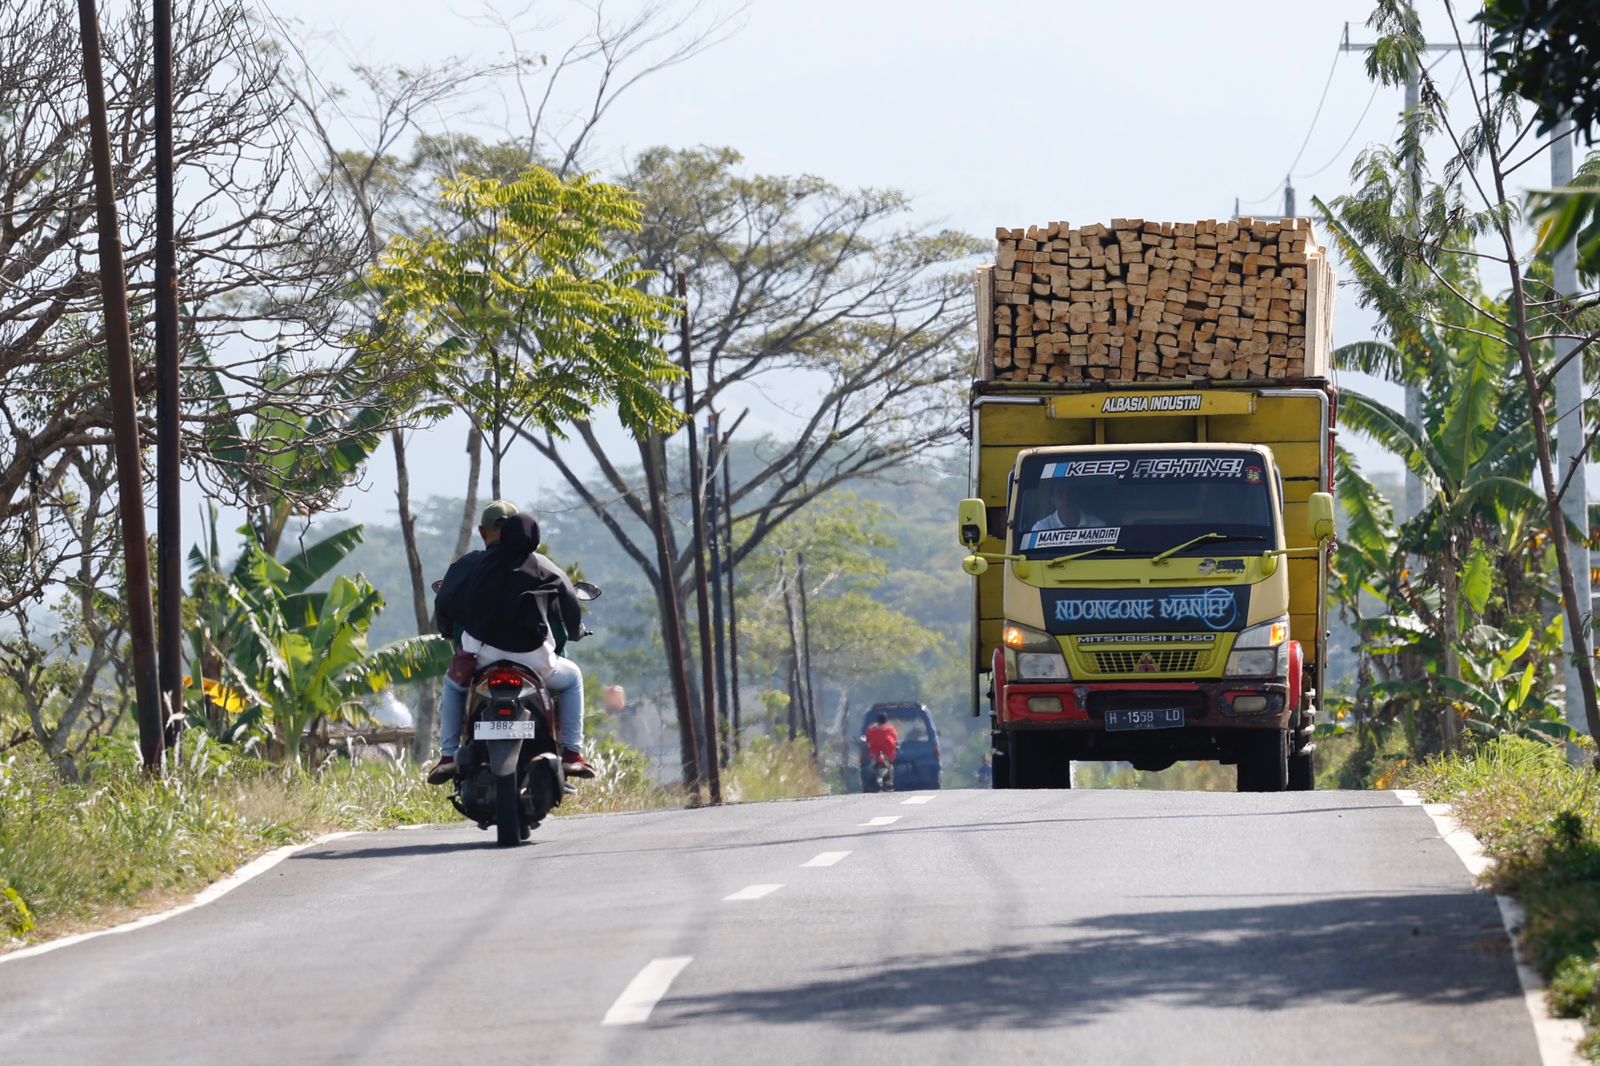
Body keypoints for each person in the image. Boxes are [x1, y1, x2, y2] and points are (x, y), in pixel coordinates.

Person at [428, 507, 596, 783]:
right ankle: (572, 754)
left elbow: (443, 601)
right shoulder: (543, 565)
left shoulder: (473, 563)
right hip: (534, 660)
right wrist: (576, 630)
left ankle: (447, 756)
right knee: (573, 678)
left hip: (480, 656)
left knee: (454, 684)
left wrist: (447, 630)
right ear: (536, 540)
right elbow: (568, 600)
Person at [1030, 477, 1108, 532]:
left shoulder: (1097, 526)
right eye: (1060, 492)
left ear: (1078, 496)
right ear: (1053, 500)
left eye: (1071, 491)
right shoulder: (1041, 528)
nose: (1066, 496)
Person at [865, 711, 899, 788]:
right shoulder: (890, 729)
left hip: (875, 752)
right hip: (887, 752)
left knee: (871, 766)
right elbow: (895, 740)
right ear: (886, 720)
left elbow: (868, 740)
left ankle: (870, 780)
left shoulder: (872, 729)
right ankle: (889, 781)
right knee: (890, 766)